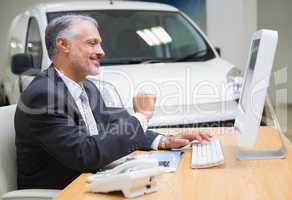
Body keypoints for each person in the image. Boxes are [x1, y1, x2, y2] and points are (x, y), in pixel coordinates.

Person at [14, 15, 212, 190]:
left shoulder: (88, 87)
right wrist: (141, 116)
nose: (101, 51)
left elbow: (112, 127)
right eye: (92, 43)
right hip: (64, 191)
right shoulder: (42, 96)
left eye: (100, 44)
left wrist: (162, 141)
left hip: (89, 181)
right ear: (63, 44)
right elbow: (85, 154)